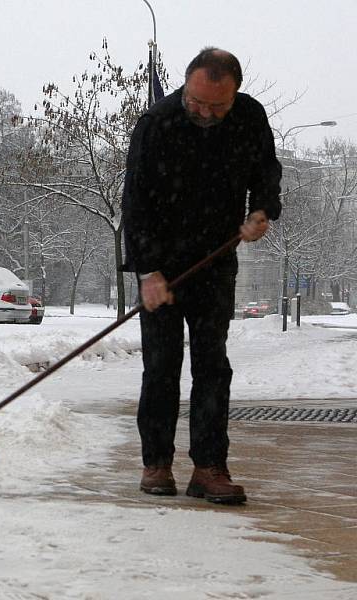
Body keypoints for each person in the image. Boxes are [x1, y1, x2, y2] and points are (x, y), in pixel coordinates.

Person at [122, 47, 282, 505]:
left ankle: (210, 468)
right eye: (197, 102)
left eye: (217, 106)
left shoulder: (249, 116)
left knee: (212, 366)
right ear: (186, 85)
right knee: (161, 365)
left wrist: (261, 209)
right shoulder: (157, 123)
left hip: (215, 259)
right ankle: (157, 463)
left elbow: (265, 170)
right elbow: (135, 203)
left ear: (235, 92)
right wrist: (149, 271)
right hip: (163, 264)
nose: (204, 112)